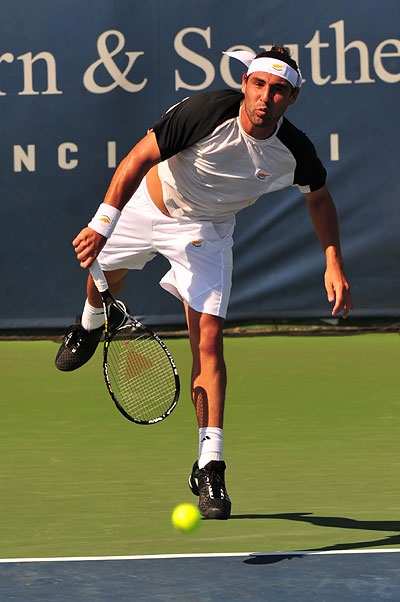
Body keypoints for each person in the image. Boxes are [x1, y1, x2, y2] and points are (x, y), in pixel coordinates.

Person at [55, 45, 353, 520]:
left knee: (209, 341)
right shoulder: (205, 112)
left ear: (292, 98)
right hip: (149, 205)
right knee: (104, 277)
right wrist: (102, 223)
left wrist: (332, 261)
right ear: (245, 84)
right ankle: (91, 323)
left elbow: (319, 198)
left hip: (205, 233)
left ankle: (210, 465)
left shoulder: (294, 151)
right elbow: (137, 157)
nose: (266, 98)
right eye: (259, 85)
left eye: (278, 90)